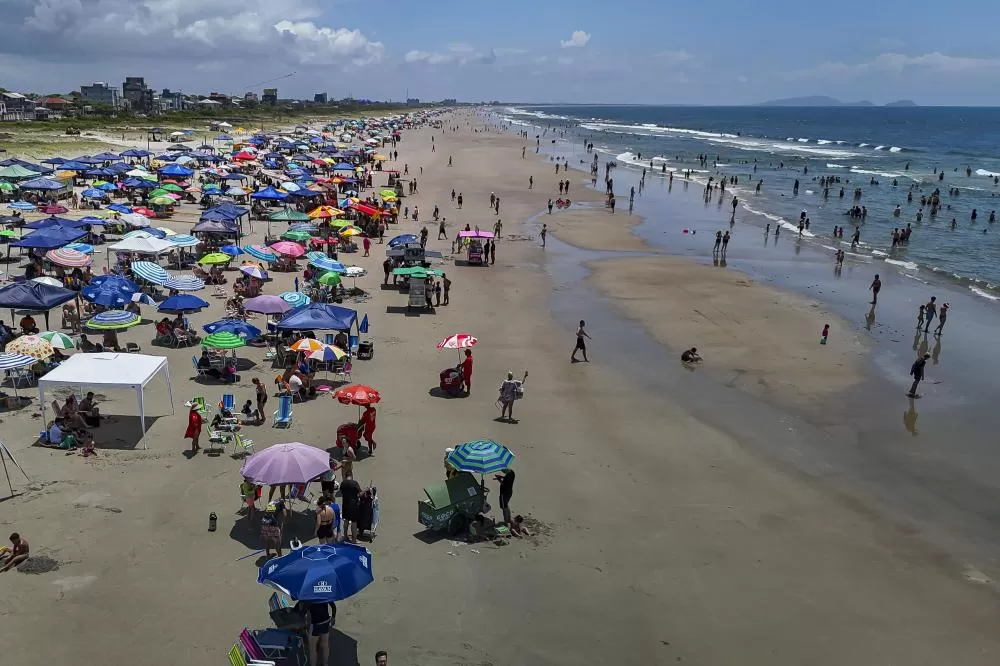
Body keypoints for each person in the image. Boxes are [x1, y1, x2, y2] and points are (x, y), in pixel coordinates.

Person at [305, 601, 332, 666]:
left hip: (315, 625)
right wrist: (333, 616)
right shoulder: (325, 595)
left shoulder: (308, 598)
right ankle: (325, 664)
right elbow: (333, 606)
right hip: (325, 622)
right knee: (325, 645)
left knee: (312, 648)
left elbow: (302, 613)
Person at [340, 473, 361, 543]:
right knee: (354, 522)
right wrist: (365, 490)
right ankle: (354, 540)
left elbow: (341, 492)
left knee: (346, 520)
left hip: (345, 504)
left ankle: (345, 536)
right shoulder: (354, 483)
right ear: (351, 475)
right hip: (353, 505)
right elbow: (359, 494)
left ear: (345, 476)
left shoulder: (342, 483)